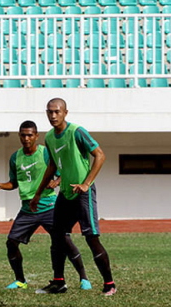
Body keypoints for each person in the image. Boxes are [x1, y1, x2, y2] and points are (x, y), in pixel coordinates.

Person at [0, 120, 91, 290]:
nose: (26, 138)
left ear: (36, 136)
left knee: (64, 240)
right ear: (19, 136)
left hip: (50, 207)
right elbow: (14, 183)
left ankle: (84, 278)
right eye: (23, 135)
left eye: (30, 135)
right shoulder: (15, 158)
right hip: (28, 209)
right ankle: (20, 280)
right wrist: (1, 185)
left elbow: (63, 172)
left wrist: (57, 182)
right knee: (11, 242)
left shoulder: (46, 153)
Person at [30, 98, 116, 295]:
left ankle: (109, 284)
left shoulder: (77, 131)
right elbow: (52, 166)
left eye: (57, 112)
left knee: (91, 238)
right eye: (50, 112)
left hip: (83, 193)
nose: (53, 116)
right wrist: (37, 194)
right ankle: (58, 282)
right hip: (66, 194)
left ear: (65, 113)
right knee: (58, 235)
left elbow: (100, 155)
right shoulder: (50, 137)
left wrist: (86, 184)